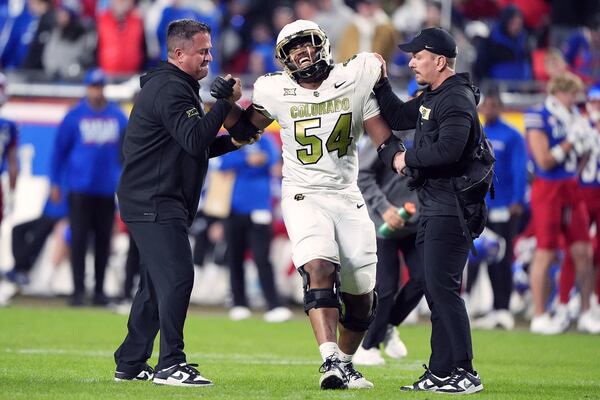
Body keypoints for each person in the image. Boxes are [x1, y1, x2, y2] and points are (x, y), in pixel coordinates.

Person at [216, 19, 405, 390]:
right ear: (284, 58)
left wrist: (401, 161)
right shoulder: (274, 89)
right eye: (293, 48)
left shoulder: (355, 77)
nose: (303, 52)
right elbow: (243, 131)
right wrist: (225, 102)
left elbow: (384, 139)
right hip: (303, 193)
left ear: (323, 45)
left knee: (362, 296)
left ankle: (346, 364)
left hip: (347, 194)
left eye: (308, 44)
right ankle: (330, 359)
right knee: (318, 267)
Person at [113, 19, 255, 387]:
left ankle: (130, 361)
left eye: (210, 49)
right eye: (202, 51)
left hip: (154, 197)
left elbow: (194, 145)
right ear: (178, 53)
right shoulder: (172, 90)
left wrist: (234, 142)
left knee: (156, 284)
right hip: (154, 199)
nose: (210, 56)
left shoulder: (175, 86)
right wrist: (224, 104)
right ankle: (170, 363)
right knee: (177, 277)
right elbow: (194, 141)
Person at [372, 27, 486, 394]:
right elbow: (400, 117)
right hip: (434, 204)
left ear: (439, 61)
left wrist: (406, 159)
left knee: (443, 290)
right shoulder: (434, 95)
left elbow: (450, 150)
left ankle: (465, 371)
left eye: (417, 56)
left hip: (451, 208)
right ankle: (440, 371)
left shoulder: (455, 99)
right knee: (437, 291)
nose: (411, 61)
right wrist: (380, 85)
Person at [524, 72, 599, 334]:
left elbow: (582, 157)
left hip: (570, 187)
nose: (574, 100)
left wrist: (583, 148)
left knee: (583, 251)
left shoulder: (575, 119)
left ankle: (587, 312)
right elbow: (544, 161)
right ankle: (539, 314)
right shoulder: (539, 114)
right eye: (572, 94)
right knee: (546, 251)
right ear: (560, 92)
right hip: (547, 189)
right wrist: (570, 143)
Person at [50, 68, 128, 307]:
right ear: (87, 88)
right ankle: (77, 290)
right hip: (79, 188)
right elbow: (59, 152)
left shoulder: (117, 116)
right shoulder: (74, 115)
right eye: (93, 86)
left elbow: (126, 153)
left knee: (104, 241)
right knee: (79, 239)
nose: (96, 91)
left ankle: (99, 290)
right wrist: (55, 182)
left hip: (106, 189)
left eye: (100, 86)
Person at [354, 130, 424, 366]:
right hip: (382, 221)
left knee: (424, 278)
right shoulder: (389, 133)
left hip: (416, 222)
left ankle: (387, 326)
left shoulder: (442, 132)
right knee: (385, 288)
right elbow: (362, 174)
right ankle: (368, 346)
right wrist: (384, 208)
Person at [218, 134, 293, 323]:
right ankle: (239, 303)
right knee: (235, 257)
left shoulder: (266, 140)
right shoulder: (234, 140)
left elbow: (273, 162)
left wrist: (249, 163)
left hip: (260, 207)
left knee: (262, 258)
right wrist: (248, 160)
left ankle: (273, 304)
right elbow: (223, 163)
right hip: (233, 208)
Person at [470, 87, 527, 331]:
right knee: (480, 257)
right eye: (485, 105)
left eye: (493, 105)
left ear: (500, 107)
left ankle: (503, 308)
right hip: (481, 208)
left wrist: (517, 199)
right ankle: (488, 307)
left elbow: (519, 169)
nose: (488, 109)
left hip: (505, 208)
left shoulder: (513, 136)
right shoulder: (478, 134)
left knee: (502, 259)